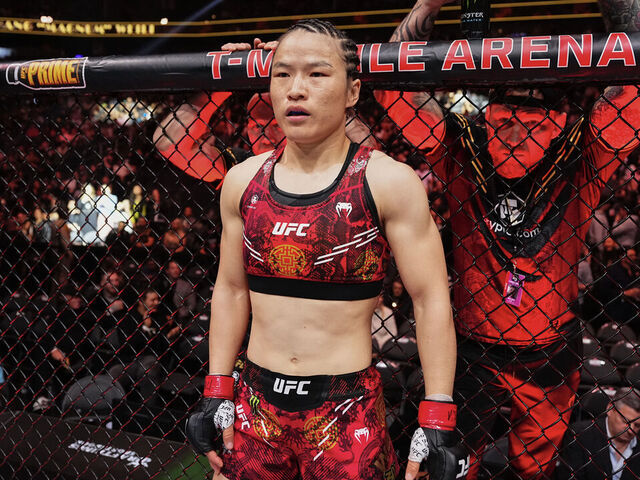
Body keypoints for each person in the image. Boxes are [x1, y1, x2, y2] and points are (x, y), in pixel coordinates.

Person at [185, 19, 464, 480]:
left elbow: (431, 297)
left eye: (317, 74)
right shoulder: (242, 180)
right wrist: (217, 389)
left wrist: (437, 415)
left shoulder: (388, 181)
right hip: (253, 401)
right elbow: (231, 289)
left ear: (353, 91)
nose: (296, 89)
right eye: (282, 74)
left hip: (345, 407)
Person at [377, 0, 640, 478]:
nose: (516, 134)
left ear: (557, 126)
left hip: (538, 349)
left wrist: (623, 12)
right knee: (462, 466)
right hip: (483, 346)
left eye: (531, 124)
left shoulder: (575, 156)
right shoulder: (467, 149)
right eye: (505, 120)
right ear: (488, 116)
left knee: (522, 470)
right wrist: (428, 4)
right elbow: (391, 85)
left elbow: (630, 97)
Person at [556, 387, 640, 480]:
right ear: (610, 409)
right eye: (626, 422)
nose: (631, 430)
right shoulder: (580, 435)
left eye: (637, 425)